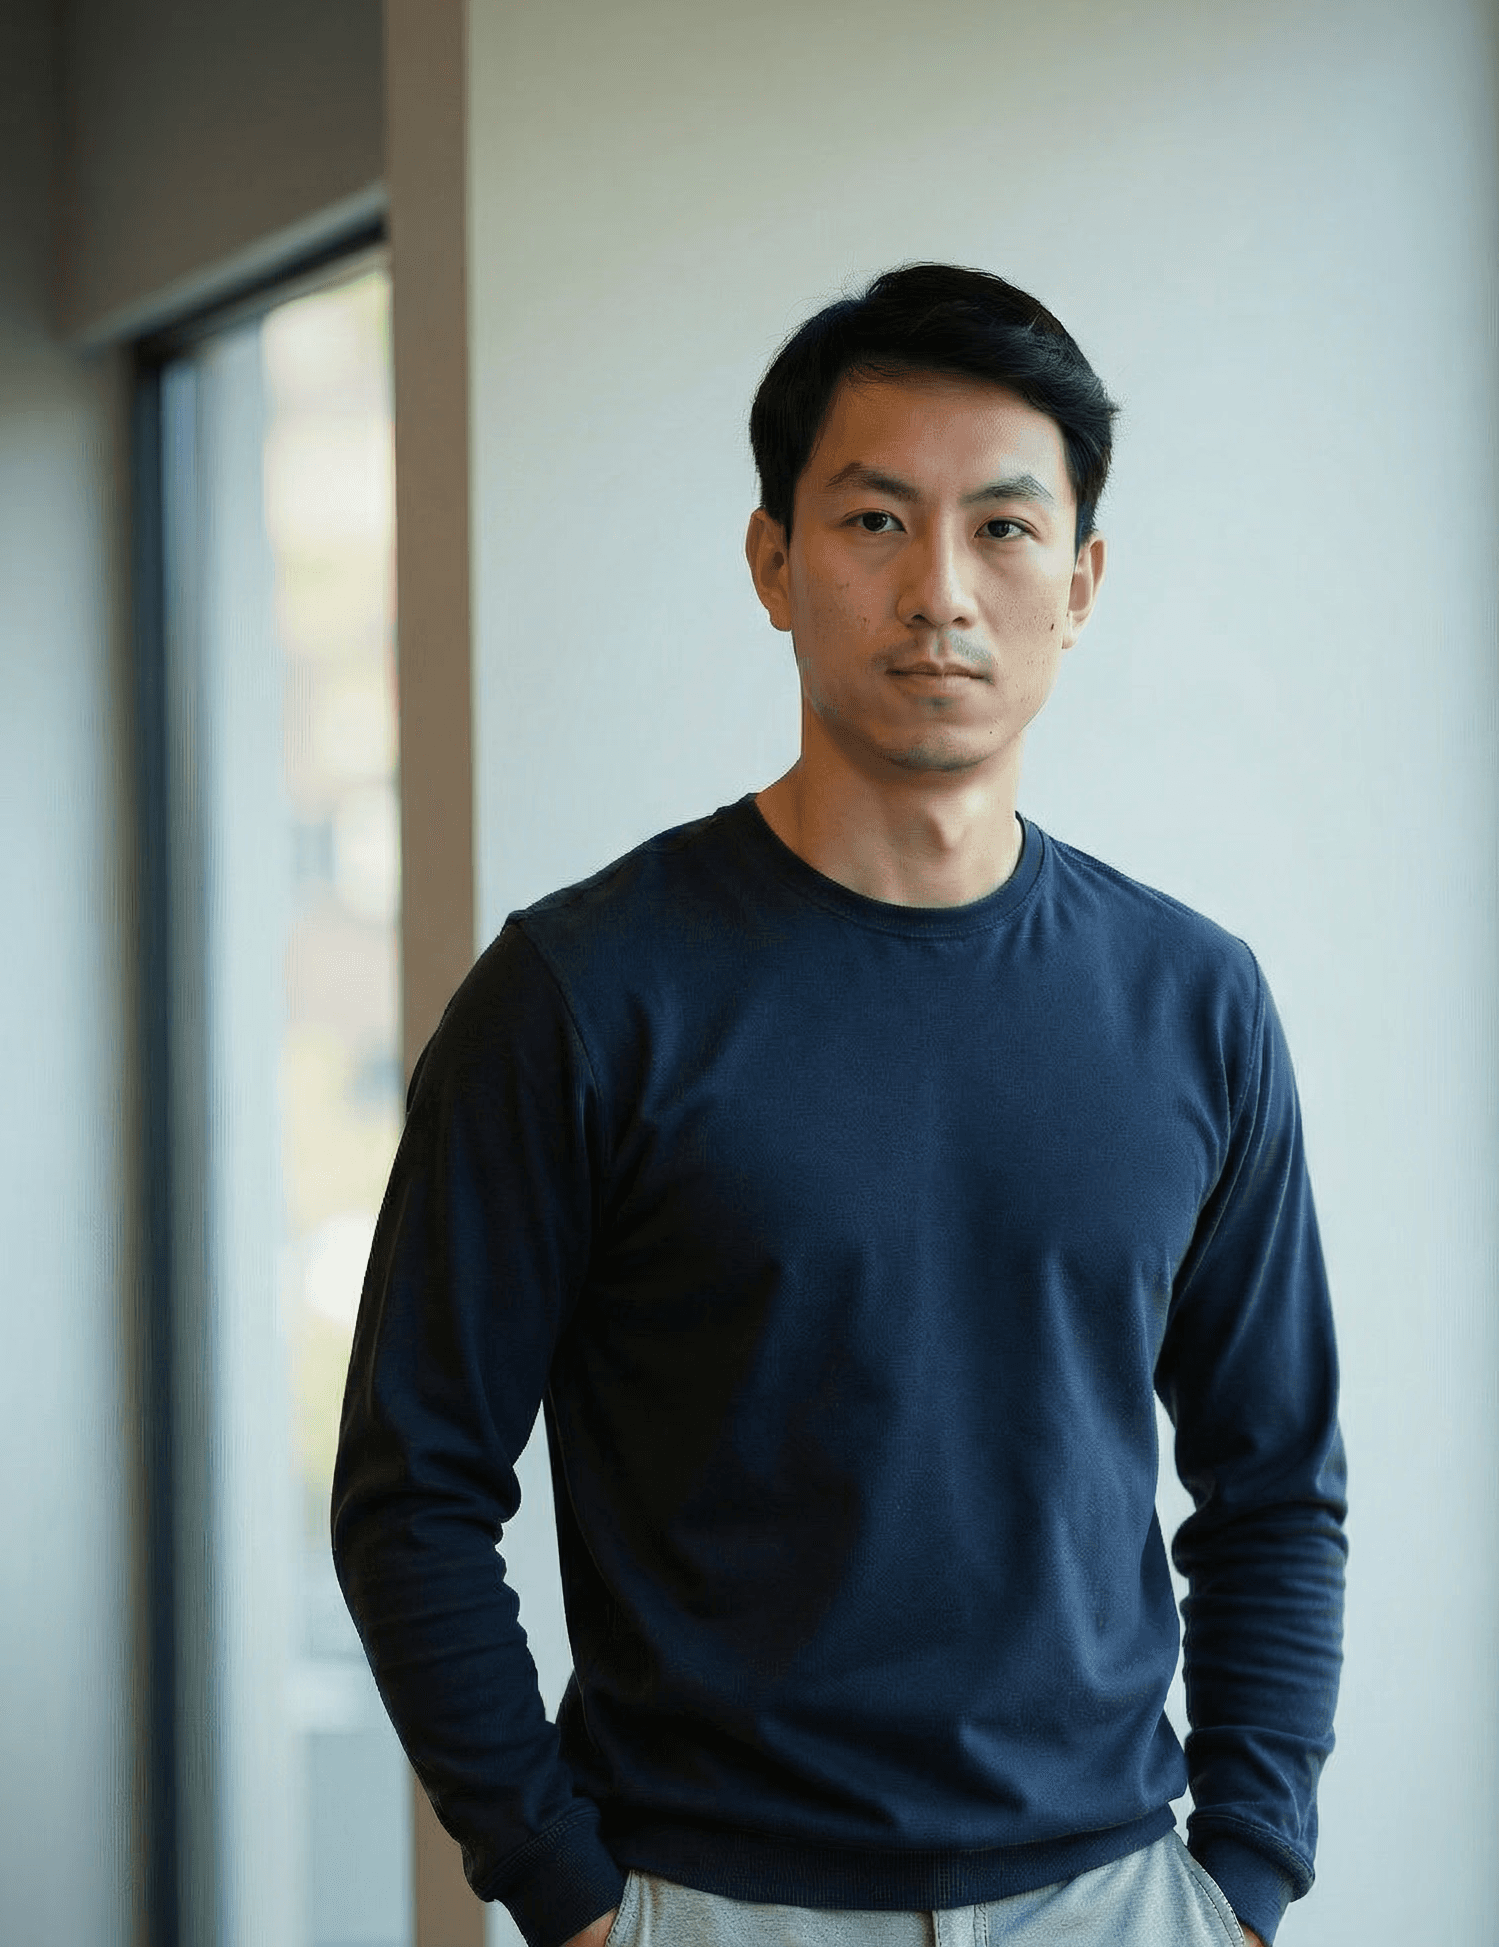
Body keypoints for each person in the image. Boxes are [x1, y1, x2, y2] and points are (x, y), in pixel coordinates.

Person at [332, 264, 1347, 1947]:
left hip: (1116, 1899)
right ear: (773, 564)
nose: (941, 590)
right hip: (711, 1901)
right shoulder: (584, 997)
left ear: (1080, 583)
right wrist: (573, 1900)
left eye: (1005, 530)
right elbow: (412, 1485)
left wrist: (1243, 1880)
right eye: (875, 521)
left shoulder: (1195, 1000)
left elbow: (1278, 1479)